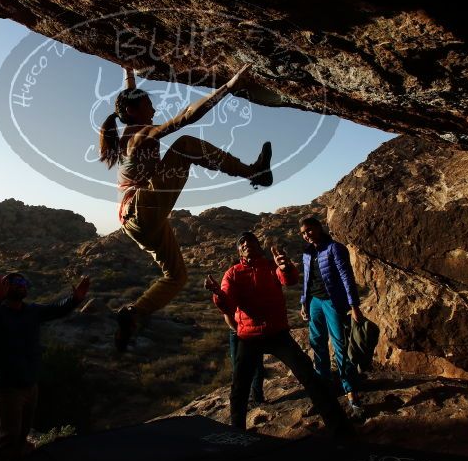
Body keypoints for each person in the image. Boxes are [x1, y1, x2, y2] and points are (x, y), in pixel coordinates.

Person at [100, 64, 274, 351]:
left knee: (177, 277)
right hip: (141, 209)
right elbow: (184, 118)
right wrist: (228, 87)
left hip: (139, 222)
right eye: (149, 105)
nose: (154, 111)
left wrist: (127, 69)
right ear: (133, 111)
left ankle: (134, 313)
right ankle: (252, 173)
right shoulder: (139, 138)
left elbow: (127, 96)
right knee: (185, 144)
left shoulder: (129, 127)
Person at [205, 231, 351, 435]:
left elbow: (289, 280)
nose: (246, 243)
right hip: (248, 337)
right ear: (239, 250)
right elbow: (228, 303)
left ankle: (340, 427)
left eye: (250, 240)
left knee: (308, 375)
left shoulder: (270, 266)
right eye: (242, 242)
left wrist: (286, 267)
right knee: (239, 388)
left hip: (277, 333)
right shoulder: (233, 273)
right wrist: (218, 294)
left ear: (258, 245)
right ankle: (236, 435)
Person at [0, 272, 90, 461]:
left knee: (22, 437)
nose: (22, 285)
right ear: (5, 286)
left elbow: (56, 309)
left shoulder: (32, 311)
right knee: (8, 438)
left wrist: (75, 299)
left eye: (24, 282)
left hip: (31, 385)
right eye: (16, 282)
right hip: (9, 387)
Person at [298, 217, 364, 417]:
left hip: (332, 302)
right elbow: (307, 280)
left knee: (340, 345)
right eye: (303, 232)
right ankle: (325, 391)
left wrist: (354, 305)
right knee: (317, 344)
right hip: (314, 302)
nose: (306, 234)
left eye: (309, 230)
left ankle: (352, 394)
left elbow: (346, 276)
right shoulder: (307, 253)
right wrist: (304, 302)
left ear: (318, 228)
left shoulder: (335, 248)